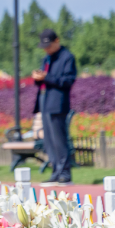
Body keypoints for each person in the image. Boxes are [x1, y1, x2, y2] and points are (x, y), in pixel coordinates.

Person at [32, 28, 77, 185]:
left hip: (58, 103)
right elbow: (43, 81)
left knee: (59, 139)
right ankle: (56, 172)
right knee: (49, 141)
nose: (47, 49)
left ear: (57, 41)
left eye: (49, 45)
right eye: (44, 47)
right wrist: (38, 78)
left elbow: (68, 81)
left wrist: (47, 77)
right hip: (45, 101)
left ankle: (65, 174)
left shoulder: (67, 57)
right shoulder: (47, 59)